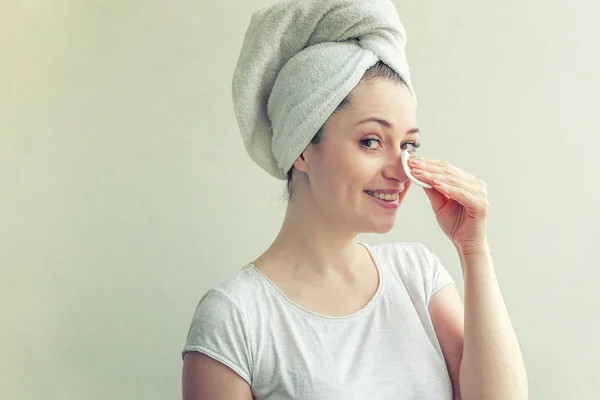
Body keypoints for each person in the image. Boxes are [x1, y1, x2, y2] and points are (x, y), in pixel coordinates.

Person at [181, 1, 528, 399]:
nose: (401, 170)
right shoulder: (236, 317)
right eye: (371, 141)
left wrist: (473, 251)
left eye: (409, 145)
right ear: (302, 148)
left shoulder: (416, 275)